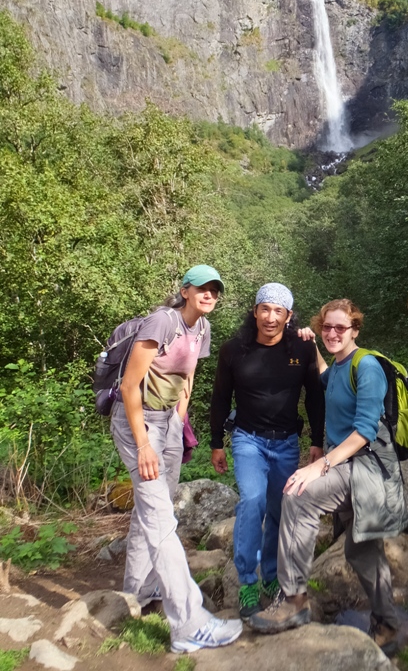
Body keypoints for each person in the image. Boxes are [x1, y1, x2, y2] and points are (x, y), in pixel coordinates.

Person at [248, 298, 408, 657]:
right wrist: (311, 344)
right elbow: (326, 378)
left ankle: (294, 601)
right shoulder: (339, 366)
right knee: (361, 551)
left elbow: (364, 432)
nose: (333, 333)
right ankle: (387, 624)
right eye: (327, 327)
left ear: (355, 330)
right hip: (351, 467)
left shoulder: (366, 366)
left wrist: (318, 466)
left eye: (341, 328)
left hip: (369, 469)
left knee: (297, 496)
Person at [111, 265, 243, 654]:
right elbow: (129, 385)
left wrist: (178, 422)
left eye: (215, 290)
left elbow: (187, 378)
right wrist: (145, 444)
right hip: (137, 423)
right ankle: (187, 623)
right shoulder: (162, 322)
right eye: (202, 288)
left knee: (154, 510)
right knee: (160, 518)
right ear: (185, 290)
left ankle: (138, 590)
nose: (209, 295)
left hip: (167, 422)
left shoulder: (201, 329)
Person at [210, 283, 325, 620]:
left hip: (287, 442)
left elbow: (315, 398)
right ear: (255, 311)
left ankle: (271, 577)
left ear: (288, 316)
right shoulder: (234, 350)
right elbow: (220, 398)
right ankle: (247, 582)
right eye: (265, 309)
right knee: (252, 500)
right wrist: (217, 442)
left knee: (279, 509)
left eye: (279, 311)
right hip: (248, 439)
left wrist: (316, 441)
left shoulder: (301, 349)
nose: (270, 317)